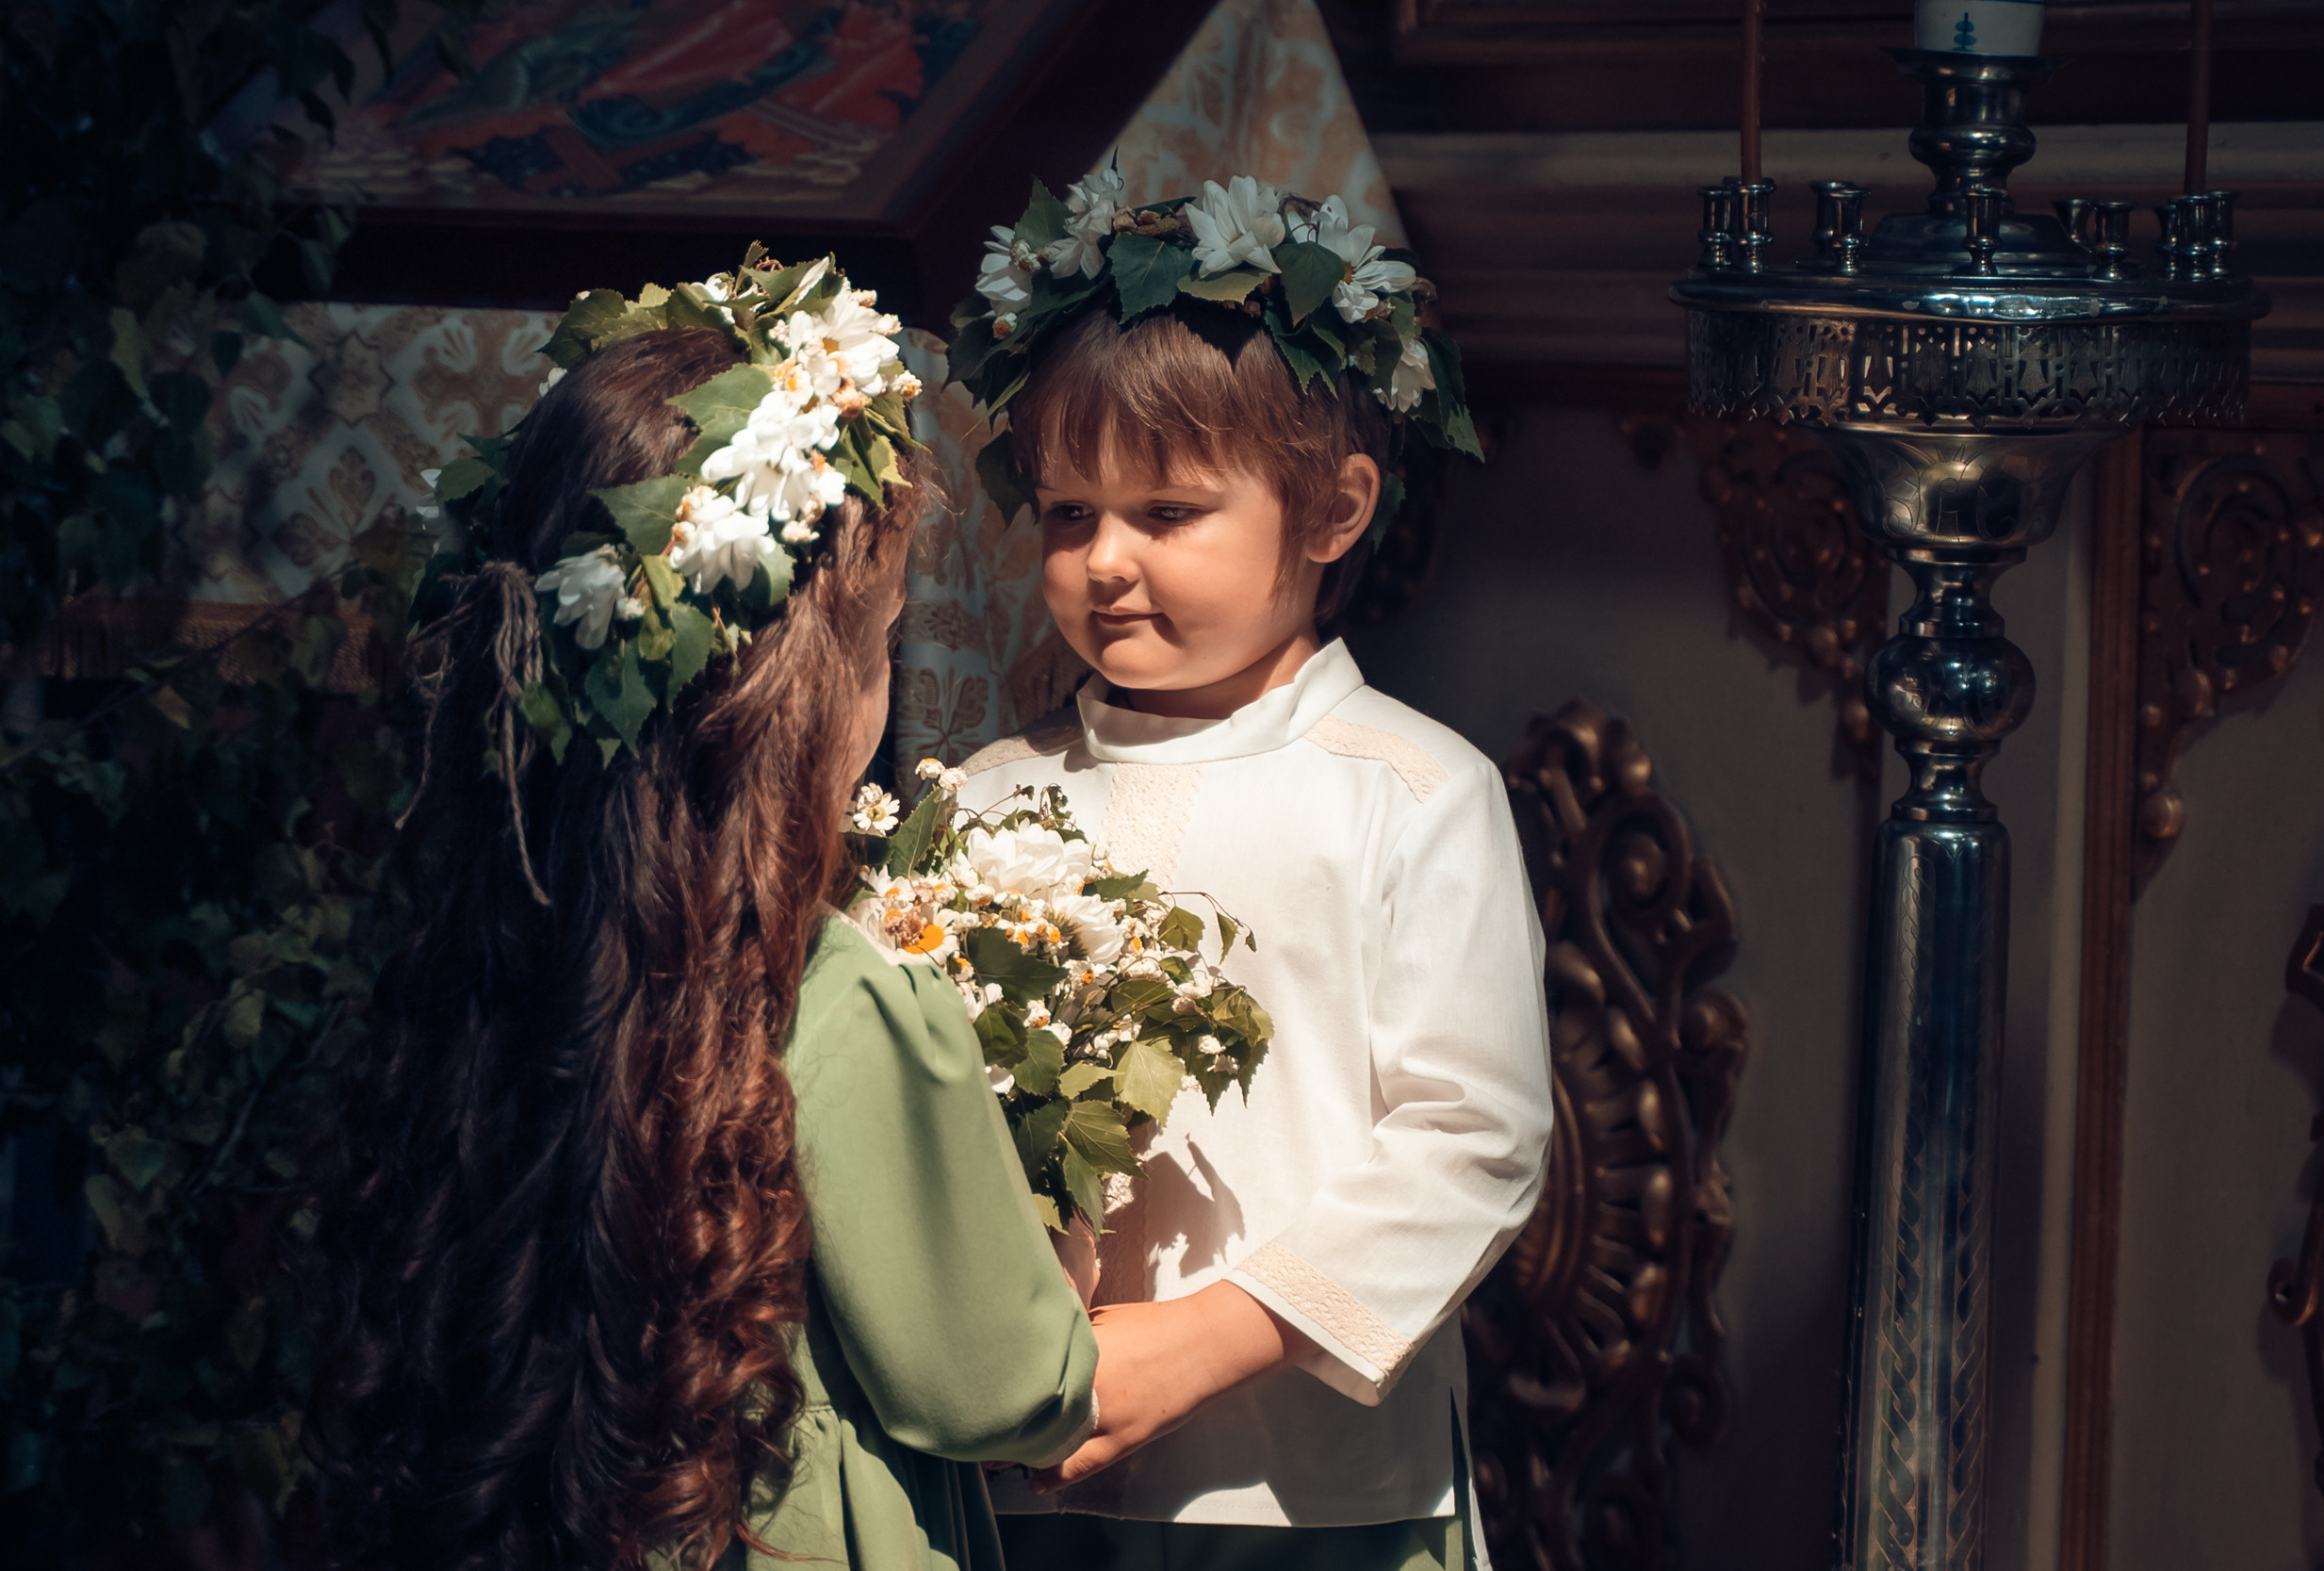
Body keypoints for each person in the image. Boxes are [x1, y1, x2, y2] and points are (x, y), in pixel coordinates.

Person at [302, 263, 1096, 1571]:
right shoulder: (843, 999)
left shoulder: (499, 947)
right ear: (810, 691)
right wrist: (1064, 1246)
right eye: (884, 638)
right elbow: (998, 1388)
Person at [944, 176, 1554, 1571]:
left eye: (1168, 510)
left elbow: (1474, 1138)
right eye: (1065, 514)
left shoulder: (1413, 794)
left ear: (1333, 511)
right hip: (1020, 1477)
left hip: (1313, 1490)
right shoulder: (985, 799)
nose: (1105, 562)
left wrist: (1206, 1342)